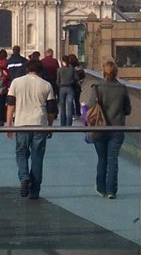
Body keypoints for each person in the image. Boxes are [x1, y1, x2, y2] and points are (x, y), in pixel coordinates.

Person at [6, 59, 56, 200]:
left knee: (21, 152)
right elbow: (52, 109)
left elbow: (10, 105)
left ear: (27, 69)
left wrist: (9, 125)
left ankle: (24, 176)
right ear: (40, 71)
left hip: (21, 122)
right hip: (39, 123)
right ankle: (35, 191)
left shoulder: (16, 82)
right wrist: (50, 126)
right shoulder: (46, 85)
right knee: (37, 156)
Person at [87, 61, 132, 199]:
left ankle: (101, 188)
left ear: (103, 71)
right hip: (117, 128)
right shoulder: (122, 88)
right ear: (116, 72)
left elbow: (90, 106)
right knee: (113, 159)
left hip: (99, 128)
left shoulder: (97, 87)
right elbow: (128, 110)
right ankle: (112, 190)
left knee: (102, 159)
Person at [56, 55, 78, 127]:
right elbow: (76, 78)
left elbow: (58, 80)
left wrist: (59, 85)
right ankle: (69, 124)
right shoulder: (72, 69)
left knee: (62, 107)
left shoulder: (59, 70)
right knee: (70, 106)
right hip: (70, 88)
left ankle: (63, 123)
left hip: (62, 88)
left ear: (62, 62)